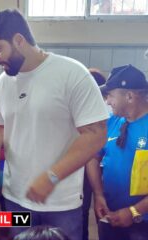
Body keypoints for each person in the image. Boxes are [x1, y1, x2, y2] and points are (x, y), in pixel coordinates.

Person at [0, 9, 108, 240]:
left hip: (62, 203)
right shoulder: (2, 83)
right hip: (16, 198)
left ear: (19, 40)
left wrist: (52, 176)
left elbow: (96, 134)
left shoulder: (71, 74)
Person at [86, 64, 148, 240]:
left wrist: (134, 211)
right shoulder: (112, 122)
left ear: (129, 96)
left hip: (143, 224)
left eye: (110, 95)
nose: (107, 101)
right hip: (110, 216)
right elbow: (92, 157)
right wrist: (98, 195)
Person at [82, 68, 106, 240]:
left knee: (101, 208)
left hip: (101, 167)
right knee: (83, 210)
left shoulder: (107, 111)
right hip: (82, 166)